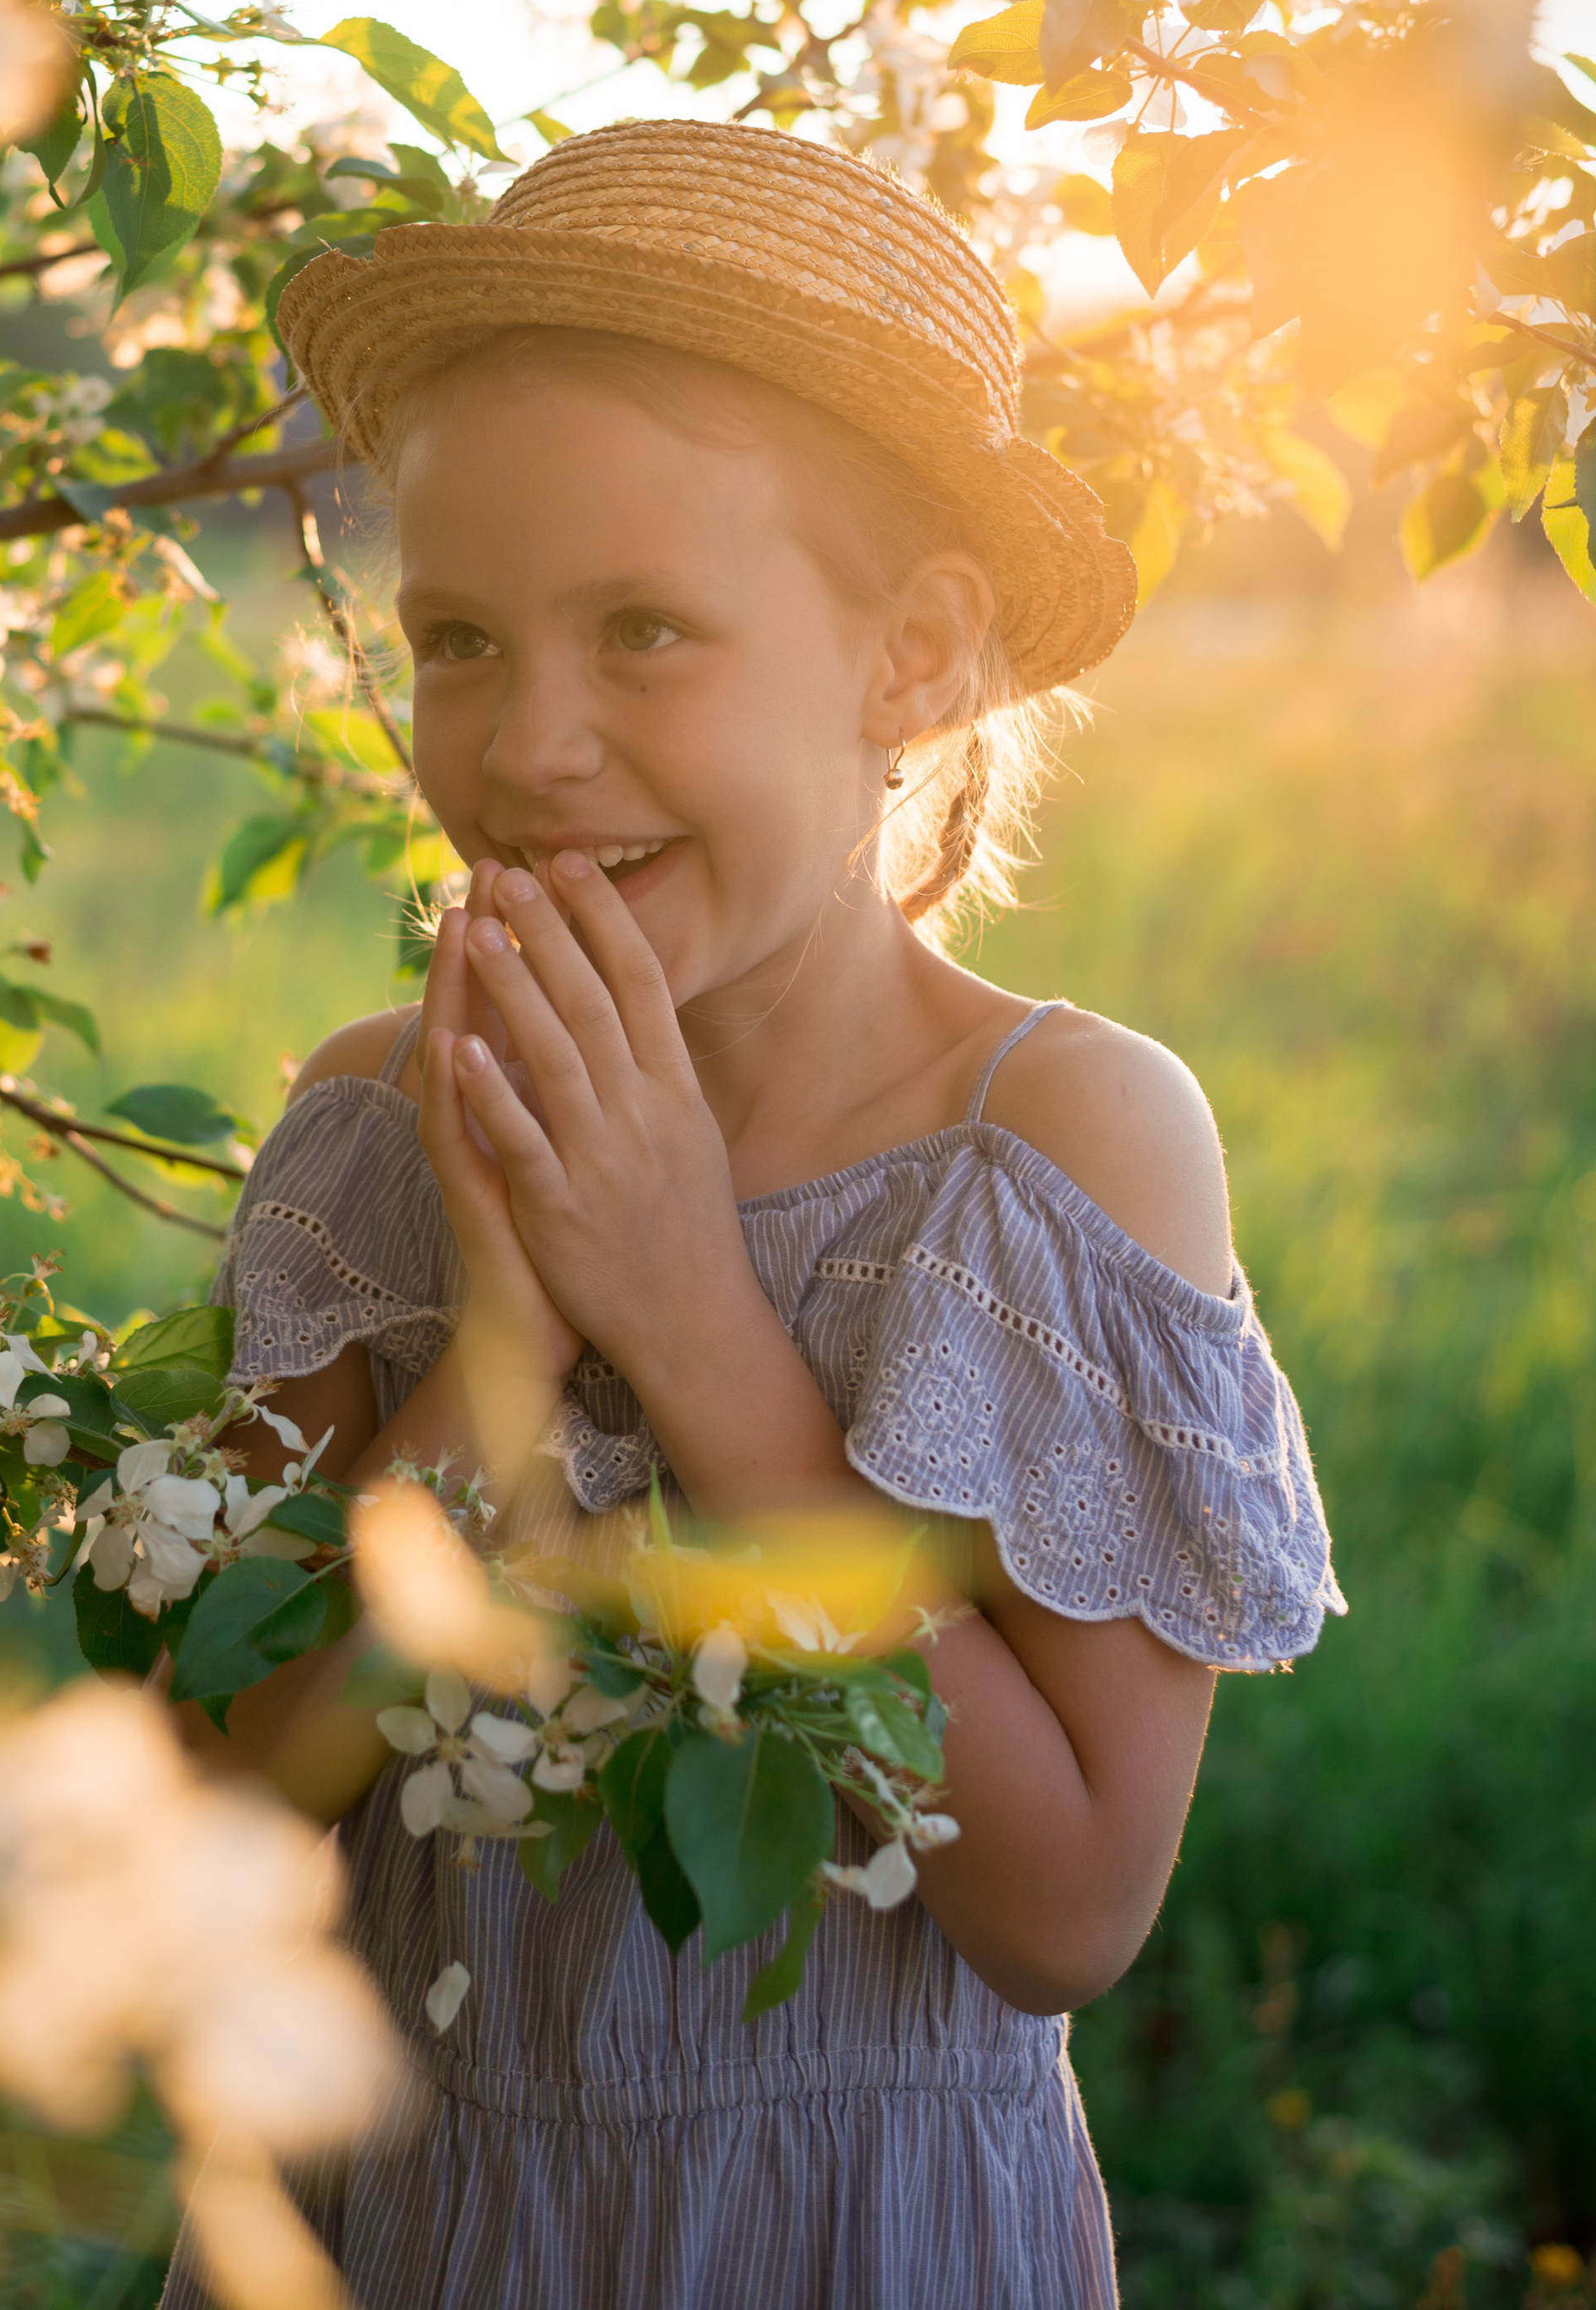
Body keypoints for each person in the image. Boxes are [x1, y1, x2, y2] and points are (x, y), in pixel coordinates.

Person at [160, 119, 1342, 2310]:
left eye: (645, 630)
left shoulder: (1052, 1148)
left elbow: (1067, 1904)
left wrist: (695, 1320)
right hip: (402, 2231)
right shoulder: (374, 1121)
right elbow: (216, 1793)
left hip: (842, 2238)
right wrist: (494, 1365)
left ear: (913, 659)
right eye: (460, 636)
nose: (530, 742)